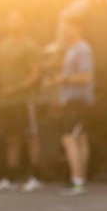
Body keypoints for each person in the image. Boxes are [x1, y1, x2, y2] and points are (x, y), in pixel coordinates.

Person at [0, 11, 43, 194]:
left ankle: (34, 177)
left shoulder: (29, 46)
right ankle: (10, 178)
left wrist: (16, 88)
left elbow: (35, 74)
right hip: (6, 102)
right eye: (10, 19)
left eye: (17, 19)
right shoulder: (2, 46)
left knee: (30, 137)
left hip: (25, 100)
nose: (13, 23)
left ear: (24, 23)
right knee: (12, 138)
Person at [45, 14, 94, 197]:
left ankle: (78, 181)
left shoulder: (82, 49)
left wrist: (63, 79)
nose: (64, 32)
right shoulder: (71, 49)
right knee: (80, 139)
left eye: (67, 28)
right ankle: (79, 179)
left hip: (78, 101)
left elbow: (86, 76)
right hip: (71, 101)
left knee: (70, 139)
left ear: (77, 28)